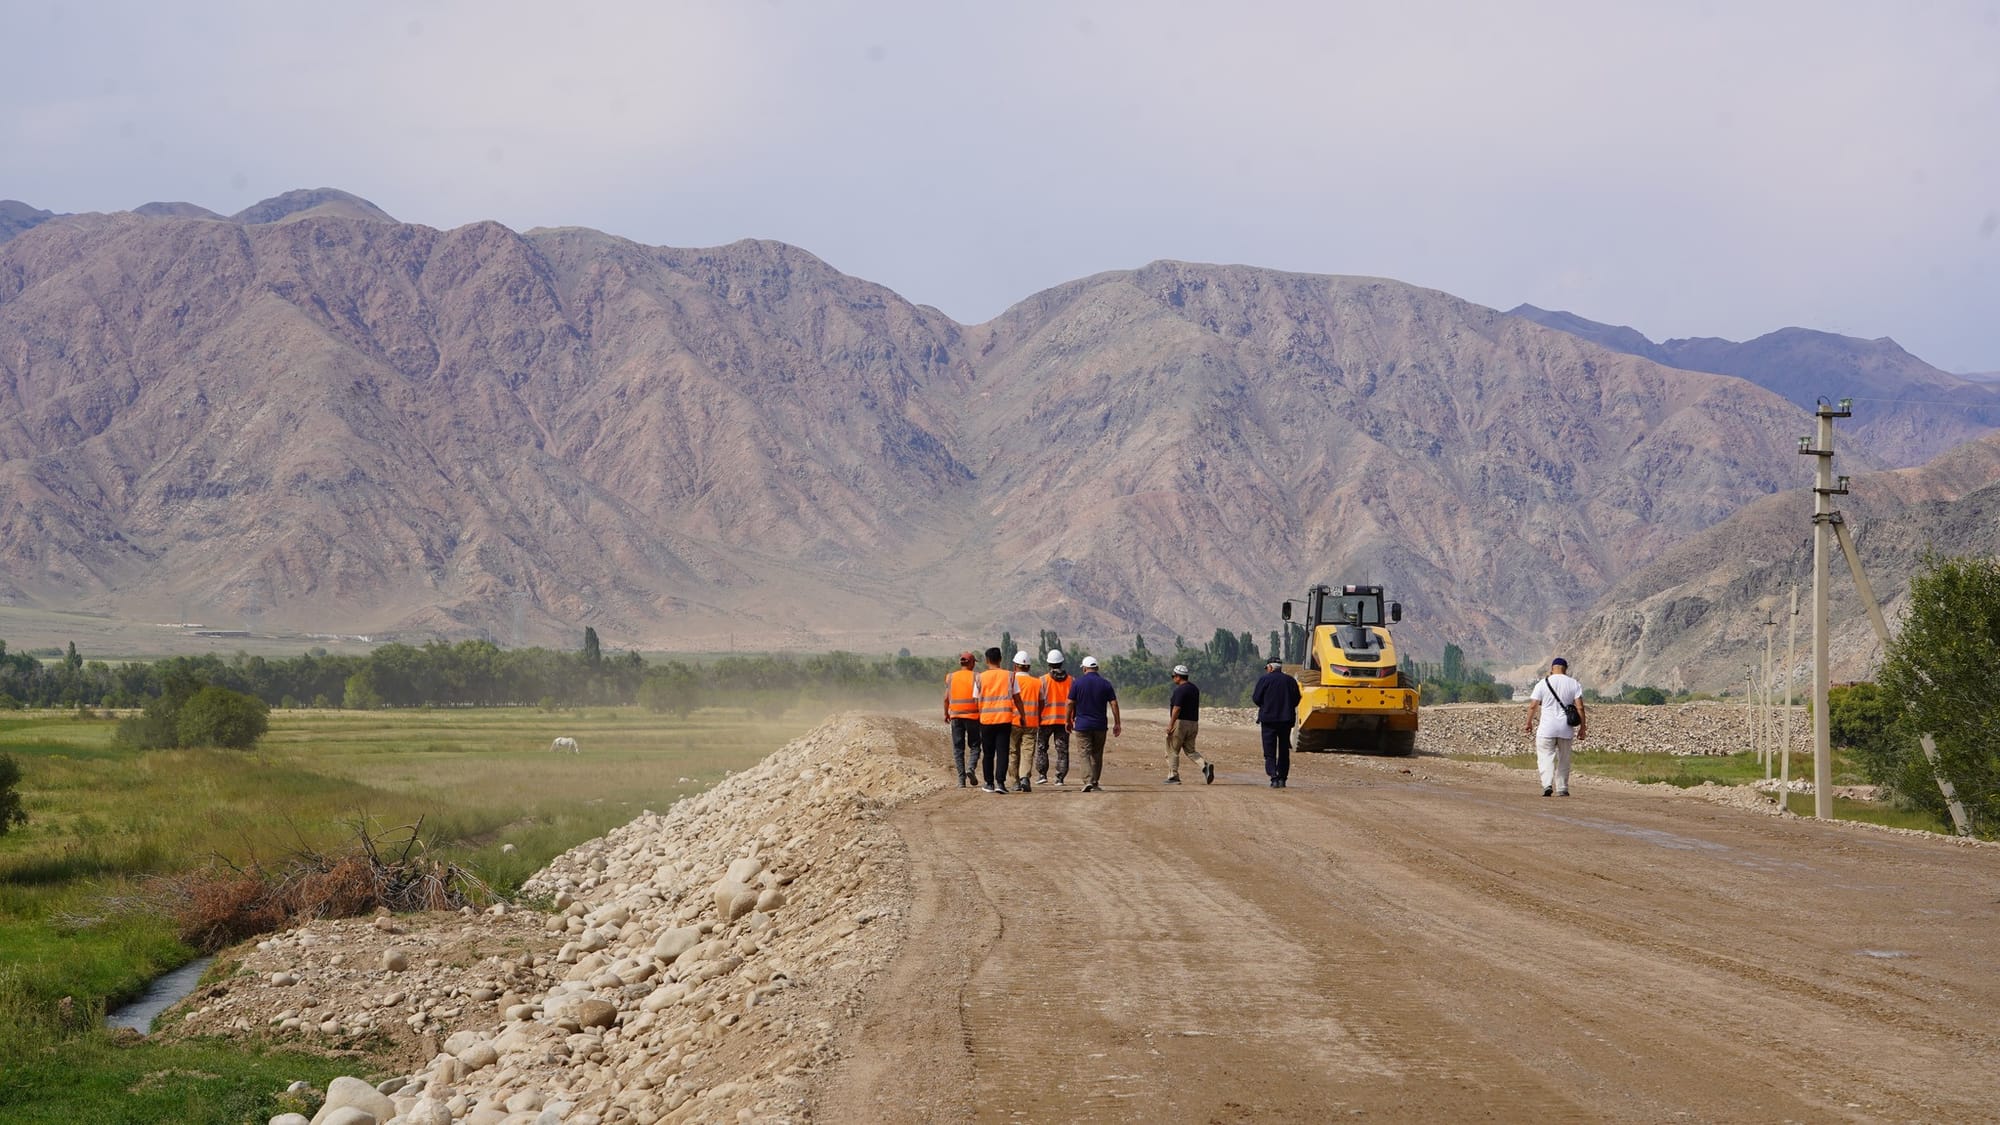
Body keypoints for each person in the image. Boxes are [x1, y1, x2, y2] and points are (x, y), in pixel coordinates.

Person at [1525, 656, 1586, 797]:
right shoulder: (1574, 684)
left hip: (1546, 728)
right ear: (1566, 669)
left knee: (1545, 756)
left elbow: (1533, 705)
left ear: (1552, 668)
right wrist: (1583, 727)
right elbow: (1580, 708)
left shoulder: (1542, 683)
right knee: (1564, 758)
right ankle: (1562, 788)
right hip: (1566, 729)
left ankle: (1547, 784)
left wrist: (1528, 722)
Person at [974, 646, 1023, 794]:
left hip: (986, 720)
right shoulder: (1009, 676)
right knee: (1002, 752)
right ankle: (1000, 783)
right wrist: (1023, 715)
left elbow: (976, 700)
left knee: (988, 753)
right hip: (1004, 720)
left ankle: (989, 783)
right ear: (1000, 659)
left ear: (987, 660)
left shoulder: (980, 677)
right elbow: (1017, 699)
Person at [1067, 655, 1120, 792]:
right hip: (1100, 726)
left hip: (1082, 725)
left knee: (1084, 753)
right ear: (1096, 668)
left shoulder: (1077, 683)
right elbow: (1114, 703)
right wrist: (1117, 723)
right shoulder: (1105, 683)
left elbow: (1070, 703)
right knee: (1097, 754)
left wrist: (1068, 720)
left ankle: (1088, 780)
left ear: (1084, 668)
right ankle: (1095, 782)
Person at [1252, 656, 1302, 788]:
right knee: (1284, 750)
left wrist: (1267, 705)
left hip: (1268, 720)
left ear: (1269, 667)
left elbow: (1256, 698)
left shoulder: (1264, 680)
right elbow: (1297, 699)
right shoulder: (1290, 681)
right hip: (1286, 720)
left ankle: (1273, 777)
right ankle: (1282, 778)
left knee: (1269, 750)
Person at [1164, 665, 1214, 784]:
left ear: (1178, 676)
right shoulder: (1194, 689)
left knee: (1172, 750)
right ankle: (1204, 765)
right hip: (1193, 723)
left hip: (1180, 723)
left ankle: (1173, 776)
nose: (1173, 679)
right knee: (1190, 750)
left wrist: (1171, 724)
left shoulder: (1180, 690)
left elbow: (1177, 708)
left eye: (1173, 676)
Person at [1035, 649, 1072, 786]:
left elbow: (1039, 701)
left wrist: (1037, 718)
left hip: (1045, 720)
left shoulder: (1042, 680)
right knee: (1062, 750)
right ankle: (1060, 778)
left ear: (1049, 664)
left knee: (1041, 748)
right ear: (1061, 662)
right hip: (1064, 721)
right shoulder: (1071, 680)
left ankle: (1042, 774)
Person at [1007, 650, 1043, 792]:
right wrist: (1038, 717)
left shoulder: (1010, 680)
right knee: (1028, 751)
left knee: (1013, 752)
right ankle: (1025, 778)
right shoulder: (1037, 683)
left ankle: (1015, 781)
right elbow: (1042, 703)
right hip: (1031, 722)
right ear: (1029, 667)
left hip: (1012, 721)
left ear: (1015, 666)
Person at [943, 651, 980, 787]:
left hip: (956, 716)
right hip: (973, 716)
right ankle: (970, 767)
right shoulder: (977, 676)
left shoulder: (951, 677)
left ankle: (961, 780)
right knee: (975, 745)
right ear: (971, 663)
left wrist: (946, 713)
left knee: (958, 748)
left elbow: (946, 698)